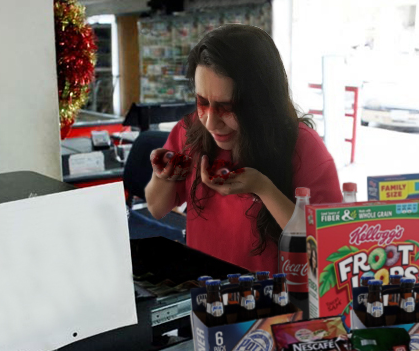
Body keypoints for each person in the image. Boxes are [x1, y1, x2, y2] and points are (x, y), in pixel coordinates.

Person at [144, 24, 342, 272]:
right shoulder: (190, 131)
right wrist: (165, 174)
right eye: (202, 102)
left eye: (227, 107)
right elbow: (157, 207)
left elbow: (328, 245)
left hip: (274, 299)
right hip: (203, 286)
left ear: (261, 104)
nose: (210, 121)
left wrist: (262, 188)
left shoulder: (302, 146)